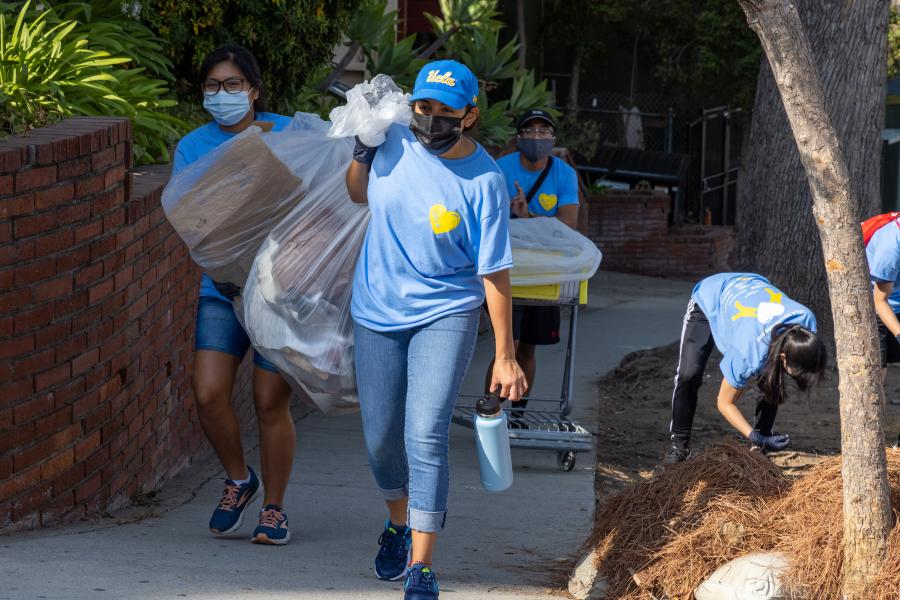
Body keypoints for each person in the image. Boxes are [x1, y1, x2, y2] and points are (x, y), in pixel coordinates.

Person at [346, 60, 528, 599]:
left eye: (445, 112)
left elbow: (494, 272)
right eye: (423, 108)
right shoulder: (392, 140)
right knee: (381, 439)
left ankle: (422, 568)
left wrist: (505, 353)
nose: (430, 119)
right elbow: (358, 193)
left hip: (445, 311)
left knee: (424, 432)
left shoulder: (486, 181)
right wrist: (362, 147)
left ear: (469, 116)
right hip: (376, 306)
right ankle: (398, 525)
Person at [172, 43, 295, 544]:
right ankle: (240, 479)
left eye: (232, 85)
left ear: (253, 90)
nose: (222, 95)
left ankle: (274, 508)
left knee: (269, 402)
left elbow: (321, 191)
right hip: (222, 286)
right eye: (212, 86)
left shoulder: (288, 134)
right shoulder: (192, 147)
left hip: (282, 290)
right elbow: (195, 219)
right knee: (208, 393)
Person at [664, 272, 827, 464]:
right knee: (688, 374)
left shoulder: (806, 323)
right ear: (783, 356)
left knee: (770, 375)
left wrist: (762, 438)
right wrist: (752, 435)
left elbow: (775, 372)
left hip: (752, 288)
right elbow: (725, 403)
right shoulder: (747, 352)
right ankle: (679, 447)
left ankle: (762, 442)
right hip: (711, 295)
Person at [483, 110, 580, 416]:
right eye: (530, 131)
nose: (537, 138)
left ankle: (518, 412)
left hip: (546, 275)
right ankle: (491, 411)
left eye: (543, 132)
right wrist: (509, 213)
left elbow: (569, 225)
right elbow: (485, 217)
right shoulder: (501, 169)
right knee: (506, 345)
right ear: (519, 136)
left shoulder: (564, 174)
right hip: (508, 272)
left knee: (528, 347)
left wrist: (529, 217)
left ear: (553, 139)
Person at [864, 212, 900, 405]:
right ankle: (875, 433)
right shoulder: (891, 250)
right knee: (877, 376)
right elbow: (880, 301)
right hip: (878, 305)